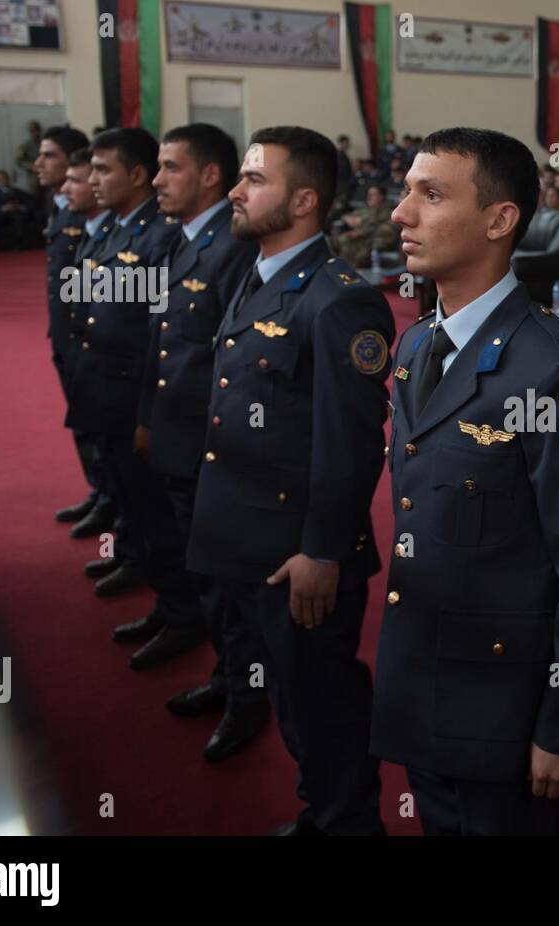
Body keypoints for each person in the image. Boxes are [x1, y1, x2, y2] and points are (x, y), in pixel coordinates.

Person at [373, 126, 559, 835]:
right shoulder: (416, 344)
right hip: (422, 684)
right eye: (407, 193)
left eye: (431, 195)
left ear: (500, 219)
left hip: (507, 714)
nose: (402, 214)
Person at [186, 126, 391, 834]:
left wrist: (324, 549)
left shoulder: (338, 302)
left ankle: (347, 825)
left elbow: (353, 441)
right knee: (290, 698)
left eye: (253, 180)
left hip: (297, 557)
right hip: (247, 539)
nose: (235, 192)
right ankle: (325, 816)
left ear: (303, 200)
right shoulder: (259, 273)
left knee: (321, 705)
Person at [125, 123, 268, 758]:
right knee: (206, 577)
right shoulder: (188, 241)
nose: (156, 180)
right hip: (182, 438)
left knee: (226, 585)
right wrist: (150, 417)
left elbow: (231, 363)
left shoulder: (232, 247)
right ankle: (227, 677)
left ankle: (245, 697)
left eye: (170, 168)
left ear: (210, 174)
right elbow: (166, 342)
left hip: (216, 450)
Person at [65, 128, 183, 608]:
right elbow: (83, 304)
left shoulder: (157, 235)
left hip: (131, 391)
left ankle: (177, 607)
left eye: (103, 169)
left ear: (138, 174)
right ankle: (136, 559)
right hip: (101, 387)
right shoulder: (113, 226)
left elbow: (155, 331)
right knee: (124, 492)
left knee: (153, 506)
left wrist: (146, 414)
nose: (92, 180)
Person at [35, 125, 100, 529]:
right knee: (83, 421)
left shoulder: (89, 216)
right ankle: (101, 491)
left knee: (100, 427)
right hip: (68, 332)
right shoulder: (62, 206)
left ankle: (111, 499)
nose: (38, 163)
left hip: (90, 338)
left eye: (49, 155)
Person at [333, 182, 398, 267]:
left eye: (373, 195)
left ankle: (349, 273)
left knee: (350, 248)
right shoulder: (365, 209)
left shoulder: (386, 211)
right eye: (368, 194)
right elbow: (346, 215)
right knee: (340, 241)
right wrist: (350, 220)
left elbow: (377, 226)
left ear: (381, 196)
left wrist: (360, 227)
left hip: (373, 240)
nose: (369, 197)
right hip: (361, 238)